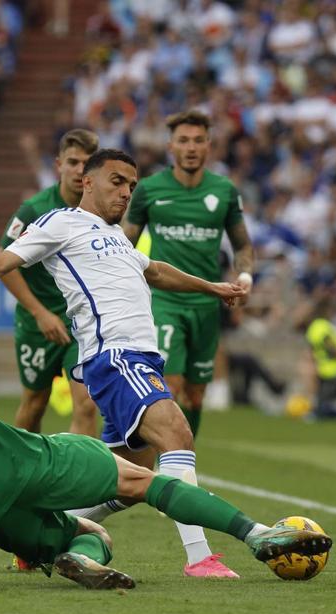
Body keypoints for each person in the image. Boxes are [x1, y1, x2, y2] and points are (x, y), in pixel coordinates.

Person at [0, 168, 331, 590]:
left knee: (93, 530)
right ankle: (254, 538)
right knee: (152, 470)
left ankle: (73, 553)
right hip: (19, 458)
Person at [0, 149, 251, 578]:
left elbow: (155, 271)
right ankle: (199, 558)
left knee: (132, 479)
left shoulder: (117, 237)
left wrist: (211, 288)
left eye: (131, 185)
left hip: (141, 356)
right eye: (117, 181)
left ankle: (39, 536)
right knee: (177, 433)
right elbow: (1, 261)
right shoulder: (59, 223)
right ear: (87, 181)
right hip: (114, 355)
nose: (127, 192)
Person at [119, 110, 254, 440]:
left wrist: (246, 276)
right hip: (165, 301)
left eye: (197, 140)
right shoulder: (149, 189)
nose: (190, 147)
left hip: (208, 304)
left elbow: (242, 245)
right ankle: (167, 463)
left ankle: (183, 462)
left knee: (195, 395)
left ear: (209, 145)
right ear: (170, 146)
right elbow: (123, 245)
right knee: (170, 386)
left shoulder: (223, 191)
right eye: (183, 140)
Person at [0, 129, 100, 436]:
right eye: (73, 162)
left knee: (86, 403)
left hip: (80, 322)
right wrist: (40, 313)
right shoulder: (34, 209)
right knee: (35, 403)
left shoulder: (101, 210)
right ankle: (22, 475)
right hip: (38, 323)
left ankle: (84, 481)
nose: (80, 170)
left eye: (87, 163)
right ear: (59, 165)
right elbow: (3, 263)